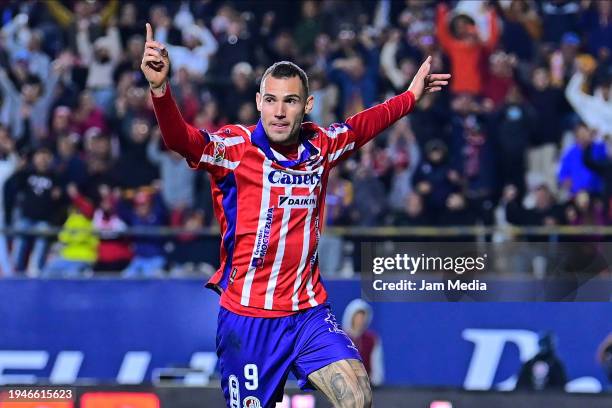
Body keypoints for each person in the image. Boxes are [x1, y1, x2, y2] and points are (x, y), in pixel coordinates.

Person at [142, 22, 450, 408]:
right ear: (258, 102)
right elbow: (179, 139)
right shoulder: (235, 150)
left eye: (290, 101)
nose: (279, 112)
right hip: (248, 319)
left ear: (306, 105)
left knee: (357, 397)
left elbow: (362, 126)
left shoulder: (320, 145)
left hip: (307, 312)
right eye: (271, 100)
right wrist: (160, 89)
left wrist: (409, 96)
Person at [342, 299, 384, 387]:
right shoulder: (340, 339)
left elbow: (376, 365)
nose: (360, 320)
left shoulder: (372, 339)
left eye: (362, 317)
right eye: (357, 317)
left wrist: (374, 382)